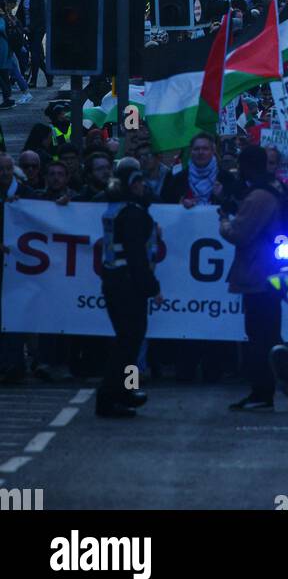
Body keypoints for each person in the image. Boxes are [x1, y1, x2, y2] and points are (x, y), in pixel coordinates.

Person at [96, 158, 164, 418]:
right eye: (136, 182)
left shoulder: (116, 209)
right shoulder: (134, 214)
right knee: (129, 342)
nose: (142, 186)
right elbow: (137, 257)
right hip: (128, 284)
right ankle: (111, 396)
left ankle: (126, 391)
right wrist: (153, 288)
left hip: (114, 282)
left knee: (127, 340)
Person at [219, 145, 286, 411]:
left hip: (259, 273)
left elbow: (239, 234)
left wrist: (224, 221)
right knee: (265, 334)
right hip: (267, 271)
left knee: (260, 336)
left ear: (247, 165)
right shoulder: (272, 190)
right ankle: (265, 390)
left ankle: (262, 392)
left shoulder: (259, 196)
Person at [15, 0, 50, 88]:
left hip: (38, 29)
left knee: (34, 54)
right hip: (28, 30)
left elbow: (41, 16)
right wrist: (17, 24)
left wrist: (30, 27)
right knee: (37, 55)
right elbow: (20, 14)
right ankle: (49, 76)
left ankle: (33, 80)